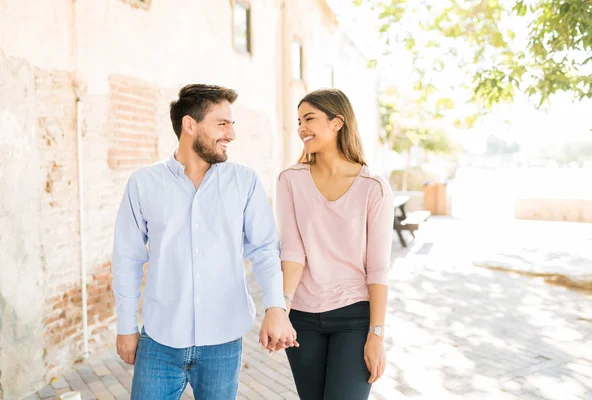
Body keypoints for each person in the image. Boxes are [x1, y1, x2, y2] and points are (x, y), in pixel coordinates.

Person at [112, 84, 297, 400]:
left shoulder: (244, 181)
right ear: (189, 125)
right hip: (160, 340)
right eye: (222, 124)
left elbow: (265, 248)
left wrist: (276, 306)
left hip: (223, 341)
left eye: (232, 124)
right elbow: (127, 258)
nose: (232, 134)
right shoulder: (144, 183)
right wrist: (126, 326)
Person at [275, 88, 393, 399]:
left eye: (309, 118)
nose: (301, 128)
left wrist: (376, 335)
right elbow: (291, 250)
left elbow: (378, 268)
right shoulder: (290, 180)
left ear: (337, 122)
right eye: (299, 120)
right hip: (302, 318)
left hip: (354, 317)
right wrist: (281, 309)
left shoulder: (373, 188)